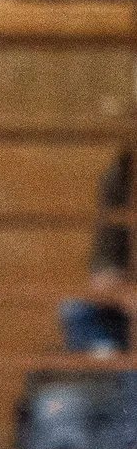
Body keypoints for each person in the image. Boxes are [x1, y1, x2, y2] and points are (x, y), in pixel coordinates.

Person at [66, 147, 137, 356]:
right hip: (124, 315)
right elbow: (103, 276)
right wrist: (128, 298)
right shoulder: (121, 177)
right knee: (75, 311)